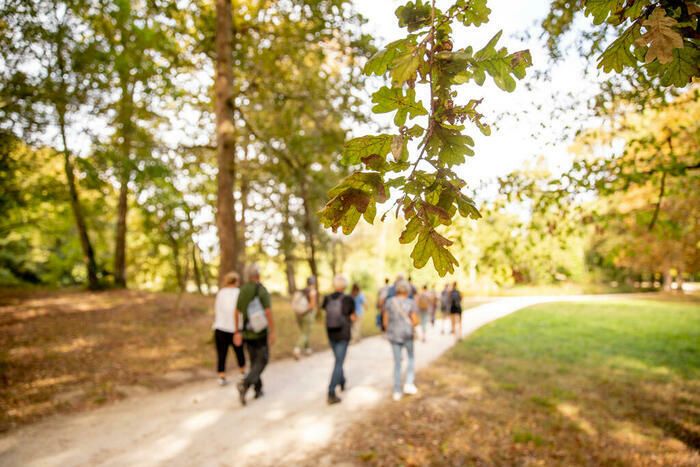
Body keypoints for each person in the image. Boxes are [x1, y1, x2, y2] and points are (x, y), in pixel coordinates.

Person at [235, 263, 275, 406]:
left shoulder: (242, 290)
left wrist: (237, 331)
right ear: (257, 275)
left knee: (253, 361)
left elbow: (237, 312)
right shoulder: (261, 290)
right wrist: (272, 331)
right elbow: (268, 312)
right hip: (260, 332)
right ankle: (245, 384)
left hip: (246, 332)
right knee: (262, 360)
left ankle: (258, 389)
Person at [322, 274, 356, 405]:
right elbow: (352, 316)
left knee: (338, 360)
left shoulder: (327, 298)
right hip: (343, 334)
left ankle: (342, 381)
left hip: (331, 333)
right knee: (338, 363)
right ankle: (331, 392)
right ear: (345, 286)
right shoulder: (348, 299)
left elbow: (326, 312)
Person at [384, 279, 419, 401]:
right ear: (407, 290)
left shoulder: (389, 302)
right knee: (410, 358)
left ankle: (397, 390)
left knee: (397, 363)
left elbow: (385, 320)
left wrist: (388, 331)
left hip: (394, 335)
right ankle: (409, 383)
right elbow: (415, 321)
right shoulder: (411, 303)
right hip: (407, 334)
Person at [212, 271, 245, 386]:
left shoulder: (221, 293)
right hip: (235, 328)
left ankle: (221, 376)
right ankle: (242, 373)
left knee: (222, 354)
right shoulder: (239, 292)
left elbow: (217, 309)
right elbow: (240, 312)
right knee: (239, 352)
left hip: (220, 327)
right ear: (236, 281)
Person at [293, 276, 317, 359]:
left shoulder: (301, 291)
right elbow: (312, 305)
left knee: (304, 332)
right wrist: (306, 311)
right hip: (307, 315)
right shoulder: (312, 291)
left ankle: (307, 349)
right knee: (305, 333)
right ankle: (297, 349)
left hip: (298, 315)